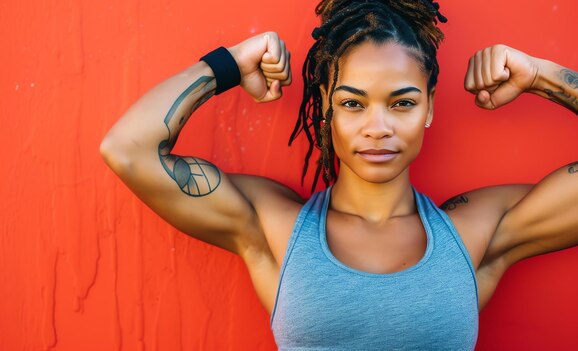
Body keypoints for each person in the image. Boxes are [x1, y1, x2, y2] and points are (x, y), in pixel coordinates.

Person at [99, 0, 578, 349]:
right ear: (326, 106)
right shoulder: (276, 226)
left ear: (429, 107)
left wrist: (540, 74)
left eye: (403, 102)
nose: (379, 127)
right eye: (353, 103)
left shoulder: (474, 234)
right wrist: (230, 63)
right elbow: (128, 150)